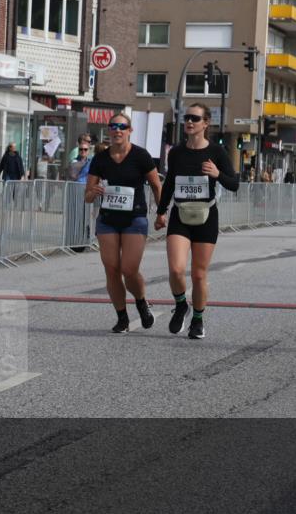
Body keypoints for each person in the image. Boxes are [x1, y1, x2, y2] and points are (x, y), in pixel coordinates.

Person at [154, 103, 239, 340]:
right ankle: (182, 304)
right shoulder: (176, 152)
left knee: (199, 275)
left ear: (206, 123)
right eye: (186, 118)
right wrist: (161, 212)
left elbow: (234, 184)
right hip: (180, 214)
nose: (189, 122)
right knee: (176, 269)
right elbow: (169, 183)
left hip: (206, 216)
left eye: (195, 118)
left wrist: (217, 174)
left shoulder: (217, 152)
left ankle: (198, 320)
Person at [85, 113, 162, 333]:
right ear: (109, 130)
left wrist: (161, 213)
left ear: (130, 130)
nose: (117, 130)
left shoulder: (140, 155)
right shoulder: (100, 159)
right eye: (113, 126)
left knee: (129, 269)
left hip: (134, 218)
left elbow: (156, 186)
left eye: (122, 126)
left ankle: (141, 301)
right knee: (112, 269)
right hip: (108, 220)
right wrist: (94, 191)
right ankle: (122, 317)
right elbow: (87, 196)